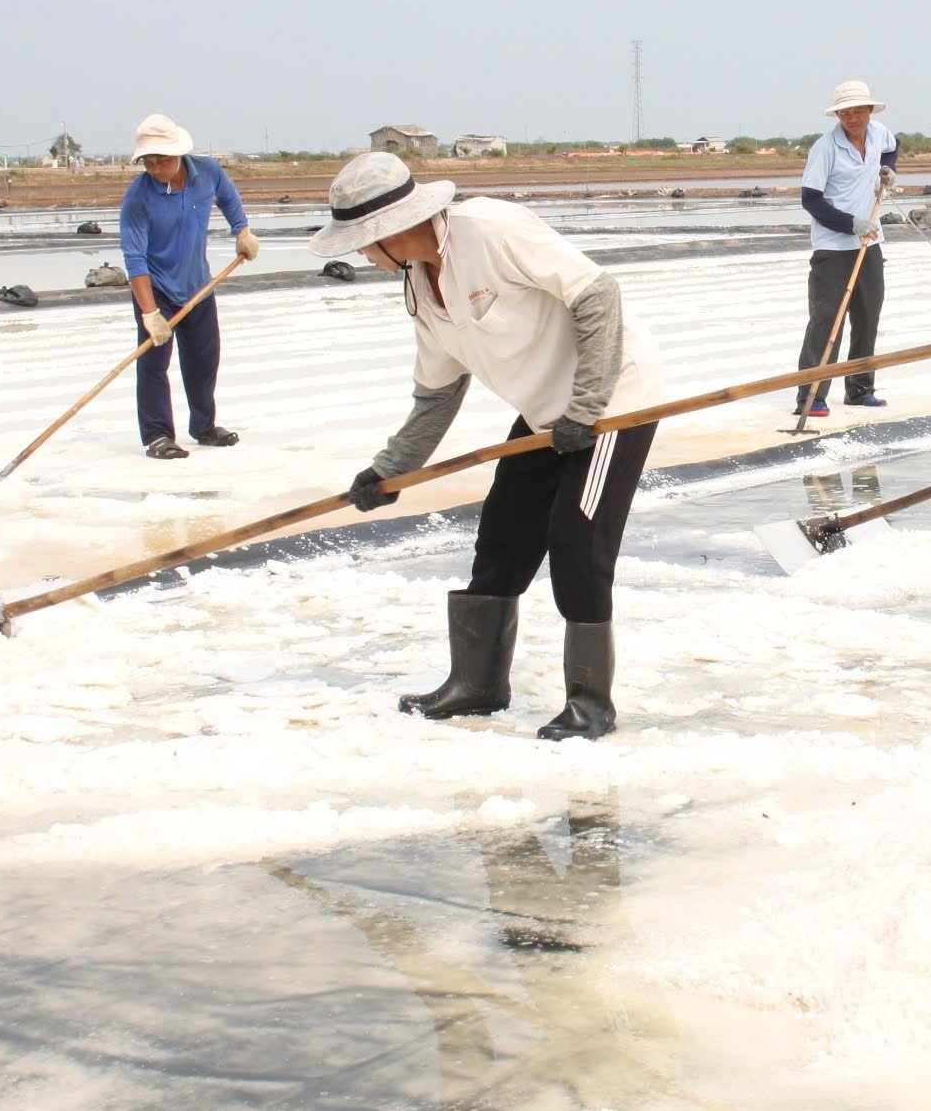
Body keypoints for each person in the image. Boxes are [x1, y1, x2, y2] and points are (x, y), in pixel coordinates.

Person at [314, 152, 666, 741]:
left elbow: (597, 294)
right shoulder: (422, 290)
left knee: (576, 540)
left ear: (395, 231)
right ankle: (476, 685)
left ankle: (589, 705)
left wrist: (585, 407)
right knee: (503, 533)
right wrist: (388, 470)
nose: (361, 256)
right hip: (546, 411)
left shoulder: (489, 230)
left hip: (612, 402)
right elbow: (438, 394)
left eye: (363, 242)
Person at [119, 114, 260, 458]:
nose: (154, 168)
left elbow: (228, 197)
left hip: (199, 285)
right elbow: (134, 258)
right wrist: (150, 312)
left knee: (203, 360)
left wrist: (241, 230)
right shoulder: (138, 198)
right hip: (156, 290)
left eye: (161, 161)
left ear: (179, 155)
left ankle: (204, 427)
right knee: (153, 365)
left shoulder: (208, 171)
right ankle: (157, 436)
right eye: (147, 162)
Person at [794, 80, 900, 417]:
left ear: (869, 111)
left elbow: (893, 148)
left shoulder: (879, 132)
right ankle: (811, 396)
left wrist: (887, 170)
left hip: (870, 243)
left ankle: (859, 389)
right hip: (833, 247)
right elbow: (811, 200)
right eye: (845, 112)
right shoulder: (825, 148)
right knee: (828, 320)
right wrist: (849, 223)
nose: (852, 118)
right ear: (837, 114)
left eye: (858, 111)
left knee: (867, 317)